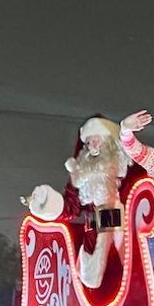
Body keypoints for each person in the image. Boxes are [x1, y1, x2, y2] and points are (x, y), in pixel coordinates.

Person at [28, 115, 132, 288]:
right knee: (93, 259)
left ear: (108, 141)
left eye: (96, 140)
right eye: (89, 142)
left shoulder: (123, 166)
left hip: (117, 214)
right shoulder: (81, 172)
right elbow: (71, 206)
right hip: (93, 219)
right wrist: (46, 202)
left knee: (120, 252)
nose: (92, 145)